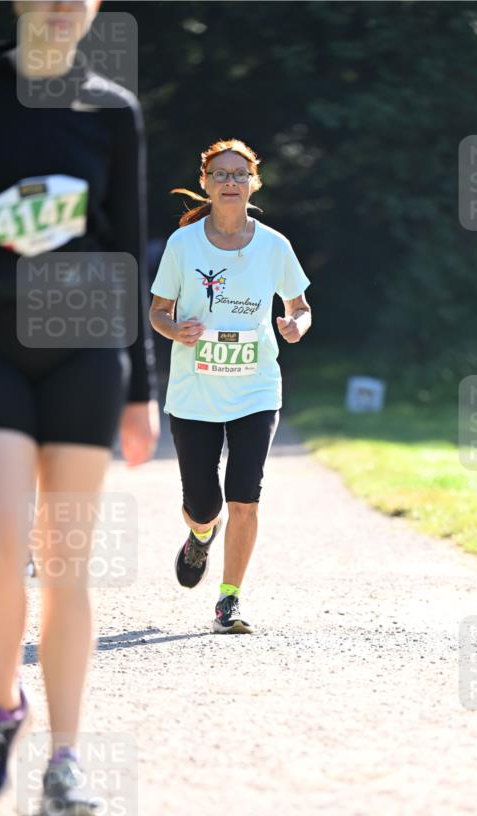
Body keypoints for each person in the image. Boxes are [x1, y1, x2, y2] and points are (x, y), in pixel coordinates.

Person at [0, 0, 159, 816]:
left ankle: (63, 761)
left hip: (87, 350)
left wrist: (141, 390)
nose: (62, 9)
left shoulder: (110, 111)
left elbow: (127, 245)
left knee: (65, 562)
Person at [149, 138, 311, 634]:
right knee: (205, 504)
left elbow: (298, 306)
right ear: (206, 183)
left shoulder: (274, 245)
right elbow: (158, 311)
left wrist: (295, 325)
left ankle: (229, 599)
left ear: (253, 183)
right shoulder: (183, 245)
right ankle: (200, 534)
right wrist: (174, 329)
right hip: (194, 391)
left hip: (256, 388)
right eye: (220, 174)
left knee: (246, 496)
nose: (230, 182)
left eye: (239, 174)